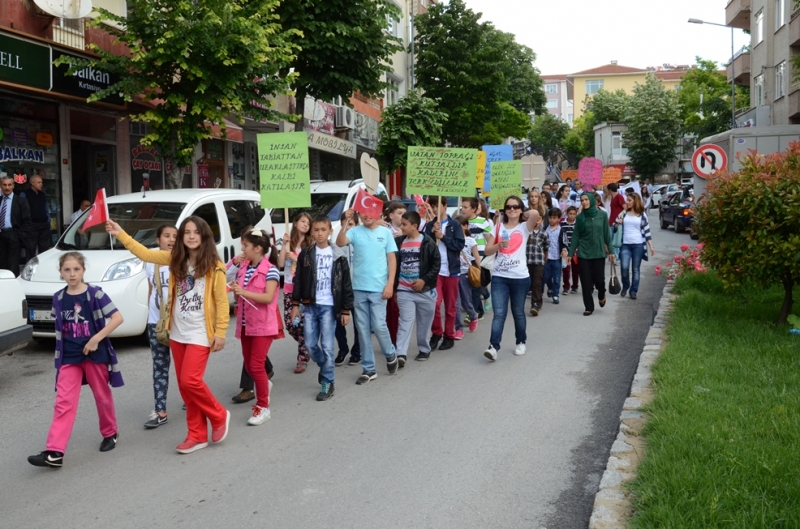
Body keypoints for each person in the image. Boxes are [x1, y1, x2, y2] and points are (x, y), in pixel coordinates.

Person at [107, 216, 231, 454]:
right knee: (186, 388)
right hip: (177, 332)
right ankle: (196, 435)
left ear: (205, 236)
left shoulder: (215, 266)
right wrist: (120, 233)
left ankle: (218, 415)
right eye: (187, 232)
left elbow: (222, 302)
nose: (191, 236)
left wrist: (221, 332)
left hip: (200, 334)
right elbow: (144, 254)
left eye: (196, 232)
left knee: (190, 381)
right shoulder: (175, 260)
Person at [28, 252, 124, 468]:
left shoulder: (95, 295)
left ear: (83, 270)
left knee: (101, 396)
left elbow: (117, 317)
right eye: (67, 270)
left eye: (76, 269)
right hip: (69, 357)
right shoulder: (59, 298)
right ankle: (54, 452)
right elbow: (61, 328)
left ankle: (110, 433)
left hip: (94, 355)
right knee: (63, 403)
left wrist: (95, 339)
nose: (72, 274)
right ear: (61, 272)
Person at [291, 215, 354, 401]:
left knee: (327, 347)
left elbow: (346, 285)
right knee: (310, 345)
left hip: (329, 307)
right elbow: (299, 281)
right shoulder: (306, 254)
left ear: (330, 231)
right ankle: (324, 366)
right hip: (310, 305)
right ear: (311, 231)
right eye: (316, 230)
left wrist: (345, 310)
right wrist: (295, 305)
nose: (319, 234)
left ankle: (328, 381)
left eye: (323, 230)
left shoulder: (339, 256)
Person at [336, 206, 398, 385]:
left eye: (370, 212)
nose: (366, 215)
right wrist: (346, 222)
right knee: (362, 330)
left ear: (378, 214)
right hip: (358, 288)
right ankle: (369, 368)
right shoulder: (355, 231)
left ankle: (390, 353)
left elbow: (392, 259)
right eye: (363, 212)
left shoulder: (385, 233)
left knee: (379, 325)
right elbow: (340, 242)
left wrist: (390, 284)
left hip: (379, 289)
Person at [228, 228, 282, 424]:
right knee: (250, 366)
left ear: (258, 248)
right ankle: (263, 385)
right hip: (245, 324)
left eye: (246, 245)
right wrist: (236, 289)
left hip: (263, 325)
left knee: (256, 365)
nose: (242, 249)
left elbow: (268, 297)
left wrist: (243, 292)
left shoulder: (271, 270)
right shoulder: (243, 267)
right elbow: (225, 277)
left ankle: (263, 407)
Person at [482, 196, 540, 361]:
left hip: (520, 277)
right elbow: (487, 251)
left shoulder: (524, 227)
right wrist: (498, 246)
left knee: (518, 312)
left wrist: (523, 213)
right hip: (500, 277)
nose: (512, 209)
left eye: (515, 206)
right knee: (499, 313)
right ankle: (493, 347)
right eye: (508, 207)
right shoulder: (498, 227)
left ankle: (521, 341)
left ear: (521, 209)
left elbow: (535, 213)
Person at [143, 225, 178, 429]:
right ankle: (160, 411)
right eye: (166, 236)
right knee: (159, 366)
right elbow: (151, 289)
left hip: (180, 324)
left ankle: (191, 401)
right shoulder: (150, 261)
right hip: (156, 323)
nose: (171, 239)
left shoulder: (184, 260)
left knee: (185, 368)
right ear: (158, 240)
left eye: (175, 236)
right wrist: (149, 317)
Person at [394, 211, 440, 363]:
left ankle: (424, 348)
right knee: (405, 321)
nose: (402, 227)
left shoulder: (428, 242)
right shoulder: (399, 242)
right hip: (404, 290)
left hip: (425, 291)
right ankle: (400, 354)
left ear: (414, 226)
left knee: (424, 322)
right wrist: (395, 288)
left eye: (404, 224)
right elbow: (393, 265)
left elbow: (436, 265)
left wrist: (424, 281)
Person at [424, 196, 465, 352]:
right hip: (435, 272)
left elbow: (459, 245)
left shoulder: (454, 225)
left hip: (451, 271)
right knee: (434, 303)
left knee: (450, 306)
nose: (435, 209)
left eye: (437, 205)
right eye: (432, 206)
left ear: (445, 206)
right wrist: (432, 233)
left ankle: (449, 335)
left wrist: (444, 237)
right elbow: (424, 246)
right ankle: (436, 333)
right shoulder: (429, 225)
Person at [567, 193, 614, 316]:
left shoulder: (602, 215)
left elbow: (606, 235)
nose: (584, 202)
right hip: (584, 253)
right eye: (582, 200)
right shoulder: (580, 217)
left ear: (592, 200)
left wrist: (611, 251)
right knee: (586, 282)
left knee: (599, 280)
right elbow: (576, 236)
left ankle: (601, 293)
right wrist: (570, 253)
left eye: (586, 199)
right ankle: (589, 307)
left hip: (598, 252)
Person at [279, 212, 312, 373]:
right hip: (288, 289)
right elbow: (279, 264)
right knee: (291, 325)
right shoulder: (289, 242)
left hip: (303, 289)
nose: (305, 224)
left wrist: (296, 257)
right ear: (296, 223)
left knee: (302, 323)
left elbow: (310, 265)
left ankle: (303, 357)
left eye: (308, 222)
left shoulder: (310, 244)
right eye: (303, 221)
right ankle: (308, 343)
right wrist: (284, 245)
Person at [613, 193, 655, 300]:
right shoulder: (624, 213)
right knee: (624, 267)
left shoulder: (642, 215)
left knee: (635, 269)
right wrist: (618, 222)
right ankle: (626, 285)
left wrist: (651, 246)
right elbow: (614, 226)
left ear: (635, 201)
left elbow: (647, 231)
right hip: (625, 245)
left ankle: (633, 291)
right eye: (627, 200)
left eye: (629, 200)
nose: (627, 202)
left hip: (638, 245)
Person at [334, 210, 361, 366]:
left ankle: (357, 351)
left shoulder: (361, 240)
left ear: (357, 225)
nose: (348, 226)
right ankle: (343, 349)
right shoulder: (337, 241)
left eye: (350, 224)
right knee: (338, 321)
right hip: (342, 289)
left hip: (358, 287)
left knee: (359, 322)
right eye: (345, 223)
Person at [460, 197, 494, 320]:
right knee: (468, 285)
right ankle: (477, 308)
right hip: (464, 258)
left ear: (474, 209)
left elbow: (489, 238)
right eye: (462, 207)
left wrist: (490, 253)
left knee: (475, 284)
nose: (462, 209)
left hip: (478, 256)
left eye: (465, 207)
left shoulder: (482, 221)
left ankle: (474, 312)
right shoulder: (459, 221)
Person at [382, 202, 406, 348]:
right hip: (387, 274)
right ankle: (393, 339)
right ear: (391, 216)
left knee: (402, 309)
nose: (403, 216)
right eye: (399, 213)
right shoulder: (383, 229)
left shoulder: (408, 230)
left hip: (405, 274)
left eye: (404, 212)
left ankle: (400, 337)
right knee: (391, 309)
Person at [0, 173, 31, 277]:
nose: (7, 187)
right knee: (2, 265)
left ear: (13, 186)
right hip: (1, 235)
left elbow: (27, 221)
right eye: (4, 185)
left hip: (14, 235)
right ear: (1, 186)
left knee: (13, 265)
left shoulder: (21, 201)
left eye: (9, 185)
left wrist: (18, 236)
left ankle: (13, 288)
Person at [456, 215, 480, 331]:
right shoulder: (453, 240)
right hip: (454, 273)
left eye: (459, 226)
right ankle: (457, 327)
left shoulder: (470, 240)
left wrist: (480, 271)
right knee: (456, 302)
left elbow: (476, 257)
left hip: (466, 273)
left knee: (466, 301)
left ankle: (473, 315)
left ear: (466, 226)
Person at [525, 208, 548, 316]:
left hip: (539, 262)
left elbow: (546, 248)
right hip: (527, 262)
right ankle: (537, 300)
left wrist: (544, 260)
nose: (536, 221)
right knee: (528, 283)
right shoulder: (526, 232)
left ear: (542, 220)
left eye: (539, 219)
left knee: (537, 283)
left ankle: (535, 303)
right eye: (534, 219)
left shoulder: (544, 234)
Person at [24, 173, 52, 259]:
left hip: (43, 225)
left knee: (44, 249)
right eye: (39, 182)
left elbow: (45, 208)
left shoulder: (42, 194)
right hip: (32, 225)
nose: (41, 184)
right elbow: (24, 210)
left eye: (41, 182)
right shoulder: (25, 194)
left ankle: (42, 268)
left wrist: (48, 221)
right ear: (32, 183)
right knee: (30, 249)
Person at [543, 207, 566, 304]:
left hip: (557, 257)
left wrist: (564, 250)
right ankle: (550, 287)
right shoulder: (545, 229)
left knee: (557, 277)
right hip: (547, 258)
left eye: (554, 218)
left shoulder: (561, 230)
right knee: (546, 276)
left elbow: (565, 242)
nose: (552, 219)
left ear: (558, 219)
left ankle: (555, 294)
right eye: (550, 217)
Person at [560, 206, 580, 295]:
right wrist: (563, 249)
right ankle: (566, 287)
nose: (572, 216)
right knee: (566, 269)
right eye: (570, 214)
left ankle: (575, 286)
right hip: (566, 249)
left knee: (575, 269)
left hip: (575, 250)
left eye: (574, 214)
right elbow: (561, 237)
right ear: (567, 214)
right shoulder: (562, 224)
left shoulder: (578, 224)